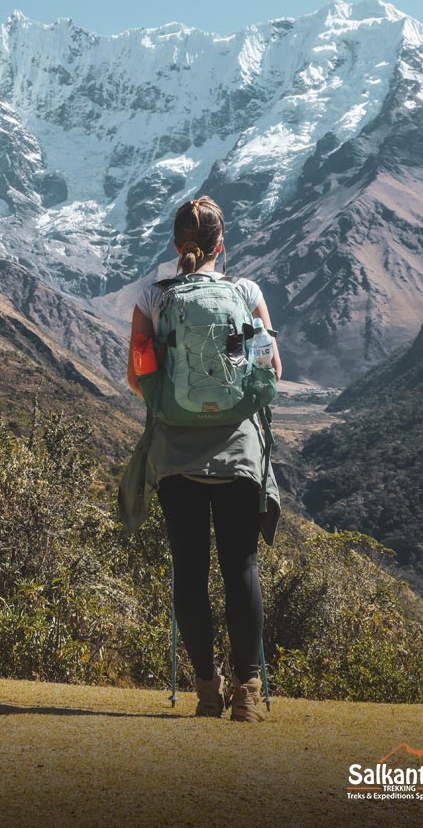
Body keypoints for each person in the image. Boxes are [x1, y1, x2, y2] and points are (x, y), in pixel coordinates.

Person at [126, 196, 282, 723]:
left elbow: (136, 374)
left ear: (176, 244)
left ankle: (207, 691)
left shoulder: (152, 296)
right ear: (223, 244)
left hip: (175, 453)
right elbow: (271, 370)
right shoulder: (246, 293)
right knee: (241, 566)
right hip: (238, 448)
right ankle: (249, 692)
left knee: (189, 571)